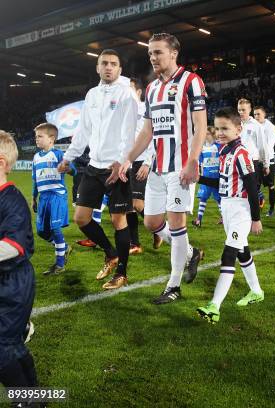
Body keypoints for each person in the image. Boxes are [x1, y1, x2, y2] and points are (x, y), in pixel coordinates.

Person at [118, 33, 205, 304]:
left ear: (173, 53)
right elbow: (147, 131)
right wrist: (128, 158)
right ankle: (191, 252)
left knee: (177, 224)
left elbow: (201, 126)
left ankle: (174, 286)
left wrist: (192, 161)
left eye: (158, 52)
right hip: (157, 166)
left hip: (180, 167)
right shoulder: (153, 88)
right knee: (152, 223)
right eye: (150, 54)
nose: (153, 57)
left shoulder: (192, 81)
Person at [58, 49, 138, 290]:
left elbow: (131, 132)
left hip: (117, 167)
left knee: (118, 220)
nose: (109, 67)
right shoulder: (92, 95)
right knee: (81, 218)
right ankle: (110, 253)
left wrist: (124, 161)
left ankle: (122, 273)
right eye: (104, 63)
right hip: (94, 165)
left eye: (114, 64)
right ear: (97, 68)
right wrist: (68, 157)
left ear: (120, 69)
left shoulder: (127, 94)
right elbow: (83, 131)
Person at [196, 108, 264, 324]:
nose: (220, 132)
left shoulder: (241, 154)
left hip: (241, 210)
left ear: (238, 129)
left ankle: (214, 306)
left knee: (229, 253)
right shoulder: (224, 151)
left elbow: (252, 188)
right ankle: (256, 291)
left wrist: (255, 218)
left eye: (225, 128)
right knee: (242, 251)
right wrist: (199, 179)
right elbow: (222, 182)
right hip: (227, 207)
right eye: (217, 128)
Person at [0, 131, 39, 390]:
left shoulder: (12, 200)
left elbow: (12, 247)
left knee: (2, 350)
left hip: (13, 284)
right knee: (9, 346)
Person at [31, 123, 75, 275]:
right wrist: (33, 198)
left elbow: (73, 170)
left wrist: (67, 168)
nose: (36, 139)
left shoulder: (58, 154)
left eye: (40, 136)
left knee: (55, 228)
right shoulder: (36, 158)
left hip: (57, 196)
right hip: (43, 198)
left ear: (51, 139)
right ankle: (65, 247)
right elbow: (35, 180)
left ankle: (60, 264)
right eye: (36, 136)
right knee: (42, 232)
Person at [127, 77, 156, 254]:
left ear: (138, 92)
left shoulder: (146, 108)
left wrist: (147, 162)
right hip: (127, 162)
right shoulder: (123, 113)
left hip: (142, 161)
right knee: (127, 206)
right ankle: (135, 244)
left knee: (137, 204)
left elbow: (153, 136)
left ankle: (159, 228)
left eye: (129, 89)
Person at [238, 99, 269, 209]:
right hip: (238, 161)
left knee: (251, 189)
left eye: (243, 110)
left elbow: (262, 147)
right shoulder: (236, 124)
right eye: (239, 110)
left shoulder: (257, 126)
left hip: (252, 161)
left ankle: (254, 217)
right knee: (240, 188)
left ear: (250, 110)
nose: (241, 112)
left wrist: (266, 164)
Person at [193, 126, 222, 227]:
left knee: (218, 198)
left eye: (208, 134)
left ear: (213, 135)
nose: (205, 136)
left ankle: (224, 217)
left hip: (216, 177)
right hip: (206, 177)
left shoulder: (219, 146)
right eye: (204, 134)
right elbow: (200, 162)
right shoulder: (202, 148)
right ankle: (198, 220)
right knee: (203, 198)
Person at [254, 105, 275, 216]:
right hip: (256, 160)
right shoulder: (253, 126)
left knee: (271, 185)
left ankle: (271, 209)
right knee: (254, 185)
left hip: (269, 160)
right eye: (254, 114)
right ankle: (257, 207)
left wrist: (266, 163)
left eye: (258, 114)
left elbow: (269, 146)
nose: (256, 116)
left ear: (264, 114)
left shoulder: (270, 127)